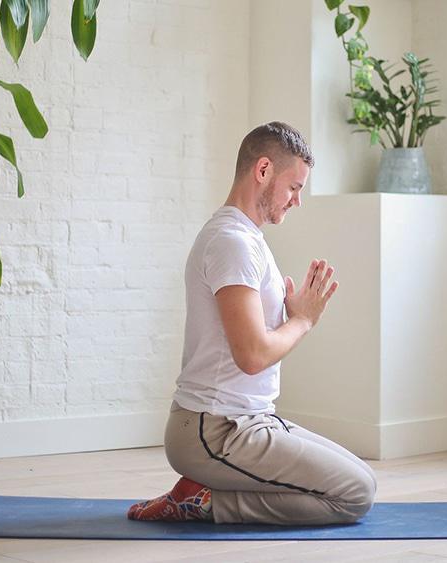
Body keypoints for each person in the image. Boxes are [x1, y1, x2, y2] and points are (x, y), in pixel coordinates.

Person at [126, 122, 377, 525]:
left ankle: (203, 491)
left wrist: (287, 312)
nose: (297, 201)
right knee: (354, 496)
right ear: (263, 171)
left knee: (364, 479)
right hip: (214, 431)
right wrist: (303, 320)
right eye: (294, 187)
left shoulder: (247, 239)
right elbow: (253, 355)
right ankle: (203, 501)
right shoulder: (232, 243)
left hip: (248, 420)